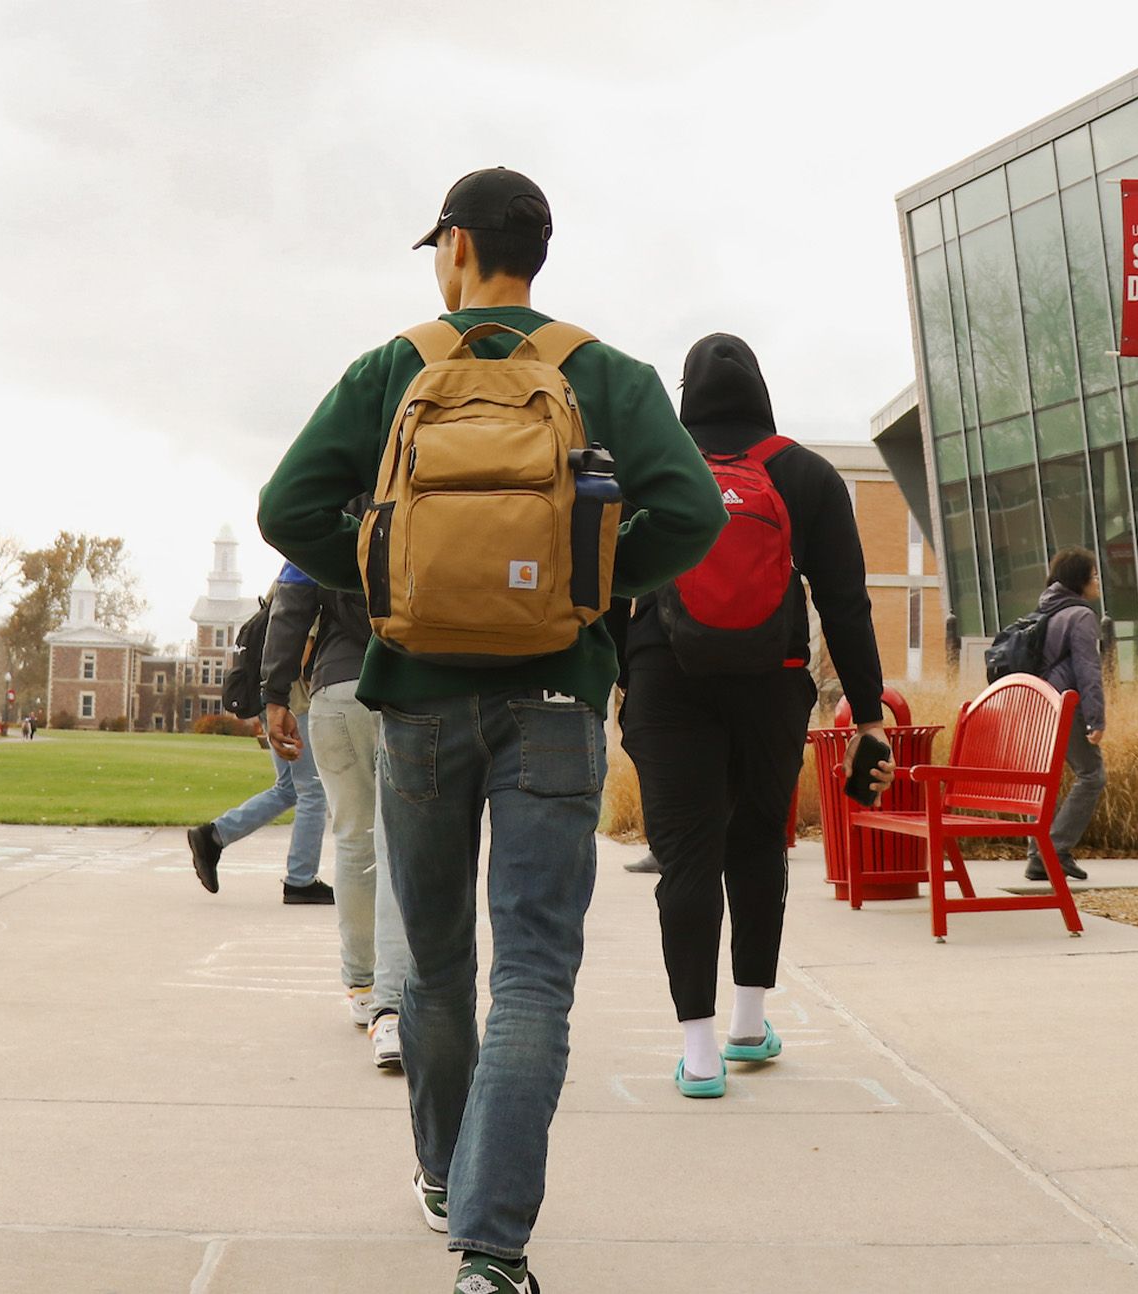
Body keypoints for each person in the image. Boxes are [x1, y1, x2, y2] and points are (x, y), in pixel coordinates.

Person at [257, 167, 727, 1293]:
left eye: (437, 246)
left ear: (458, 245)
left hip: (414, 694)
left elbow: (284, 508)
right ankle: (491, 1249)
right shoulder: (600, 372)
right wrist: (589, 589)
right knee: (530, 974)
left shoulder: (393, 368)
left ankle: (439, 1172)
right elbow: (695, 512)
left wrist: (388, 575)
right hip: (556, 697)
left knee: (433, 965)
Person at [620, 332, 892, 1100]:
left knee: (687, 858)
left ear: (685, 396)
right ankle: (748, 1021)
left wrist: (615, 683)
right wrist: (866, 717)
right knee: (757, 845)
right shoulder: (806, 475)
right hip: (772, 686)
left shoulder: (652, 469)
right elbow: (844, 603)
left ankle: (699, 1054)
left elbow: (609, 584)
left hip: (666, 683)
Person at [262, 555, 412, 1068]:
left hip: (337, 687)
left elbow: (291, 601)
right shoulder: (412, 485)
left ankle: (362, 986)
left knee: (352, 838)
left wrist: (274, 692)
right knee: (396, 843)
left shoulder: (328, 496)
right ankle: (392, 1008)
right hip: (406, 681)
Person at [187, 569, 335, 906]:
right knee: (312, 790)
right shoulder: (314, 575)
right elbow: (304, 654)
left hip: (272, 696)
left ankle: (213, 836)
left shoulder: (286, 577)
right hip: (295, 700)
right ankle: (300, 880)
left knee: (289, 789)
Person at [1024, 547, 1107, 883]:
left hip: (1040, 704)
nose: (1098, 581)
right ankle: (1054, 849)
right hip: (1064, 705)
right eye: (1094, 575)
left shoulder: (1048, 610)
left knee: (1050, 778)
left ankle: (1037, 855)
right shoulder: (1081, 615)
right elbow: (1088, 670)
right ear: (1080, 579)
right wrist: (1096, 719)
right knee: (1092, 774)